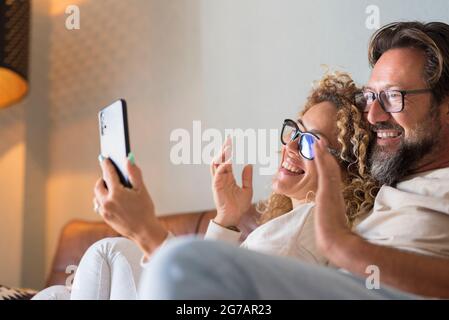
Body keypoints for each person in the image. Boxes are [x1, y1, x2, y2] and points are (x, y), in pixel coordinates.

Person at [135, 21, 449, 299]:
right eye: (370, 97)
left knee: (180, 262)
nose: (373, 114)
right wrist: (226, 219)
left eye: (393, 96)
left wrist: (344, 246)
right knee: (114, 251)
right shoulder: (392, 175)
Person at [33, 72, 377, 299]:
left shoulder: (303, 229)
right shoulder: (296, 221)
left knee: (107, 251)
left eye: (309, 142)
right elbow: (217, 283)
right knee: (57, 294)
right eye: (295, 131)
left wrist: (143, 230)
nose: (289, 146)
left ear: (345, 169)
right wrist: (227, 219)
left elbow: (201, 298)